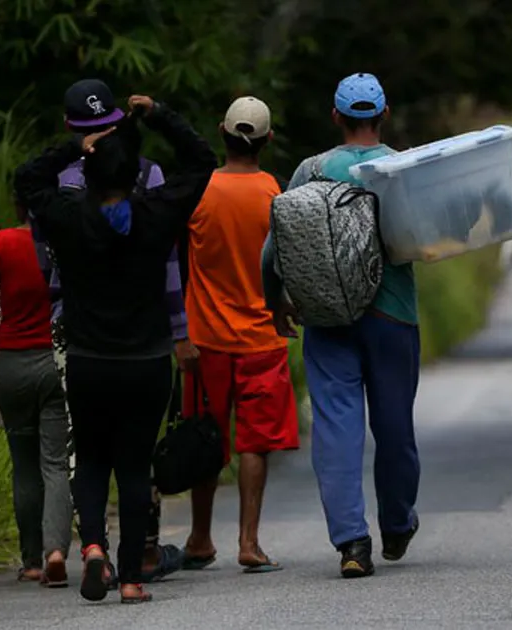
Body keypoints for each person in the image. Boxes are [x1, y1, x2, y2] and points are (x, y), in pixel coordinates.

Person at [13, 88, 215, 604]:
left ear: (90, 174)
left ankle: (95, 549)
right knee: (132, 467)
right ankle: (129, 580)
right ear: (133, 176)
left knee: (94, 461)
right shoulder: (156, 213)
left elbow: (27, 181)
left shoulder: (67, 217)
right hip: (146, 362)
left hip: (87, 360)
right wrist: (158, 116)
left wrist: (77, 145)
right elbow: (201, 159)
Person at [260, 72, 421, 579]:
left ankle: (353, 542)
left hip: (327, 317)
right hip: (392, 316)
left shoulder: (311, 170)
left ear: (336, 117)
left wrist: (276, 302)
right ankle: (396, 524)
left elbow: (276, 244)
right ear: (384, 114)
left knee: (336, 428)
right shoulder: (401, 167)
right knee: (394, 425)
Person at [179, 96, 299, 574]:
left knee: (207, 438)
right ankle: (249, 543)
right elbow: (288, 265)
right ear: (268, 141)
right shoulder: (278, 195)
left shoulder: (197, 192)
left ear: (220, 133)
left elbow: (176, 264)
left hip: (204, 338)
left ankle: (199, 537)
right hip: (262, 340)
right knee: (254, 443)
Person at [0, 200, 73, 588]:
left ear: (19, 205)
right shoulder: (65, 242)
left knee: (23, 464)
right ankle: (57, 550)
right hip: (55, 362)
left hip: (12, 367)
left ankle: (32, 561)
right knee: (54, 463)